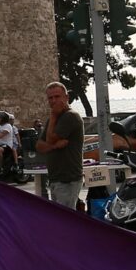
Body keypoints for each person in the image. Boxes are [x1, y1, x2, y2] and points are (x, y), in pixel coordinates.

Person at [35, 81, 87, 210]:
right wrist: (53, 147)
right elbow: (39, 145)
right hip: (56, 178)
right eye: (50, 98)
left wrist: (52, 117)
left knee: (67, 221)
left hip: (67, 178)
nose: (53, 101)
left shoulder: (70, 116)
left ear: (66, 97)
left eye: (57, 97)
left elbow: (50, 138)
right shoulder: (54, 120)